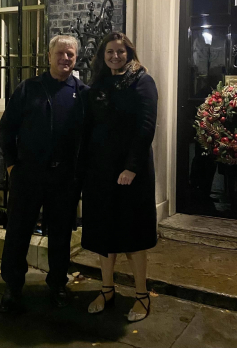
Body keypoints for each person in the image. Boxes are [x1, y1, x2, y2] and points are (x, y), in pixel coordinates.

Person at [0, 35, 88, 312]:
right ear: (48, 56)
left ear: (76, 58)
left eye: (70, 54)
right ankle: (13, 287)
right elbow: (6, 129)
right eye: (60, 53)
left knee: (61, 235)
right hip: (28, 175)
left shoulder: (83, 93)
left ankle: (58, 284)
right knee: (18, 233)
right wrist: (12, 165)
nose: (65, 58)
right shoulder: (29, 89)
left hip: (64, 179)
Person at [80, 31, 158, 322]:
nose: (115, 56)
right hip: (100, 169)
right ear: (103, 56)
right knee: (104, 233)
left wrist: (132, 167)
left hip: (131, 171)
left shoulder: (142, 81)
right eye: (110, 52)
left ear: (129, 53)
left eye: (120, 52)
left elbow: (146, 126)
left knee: (133, 234)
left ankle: (141, 294)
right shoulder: (98, 84)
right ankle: (107, 288)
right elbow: (89, 126)